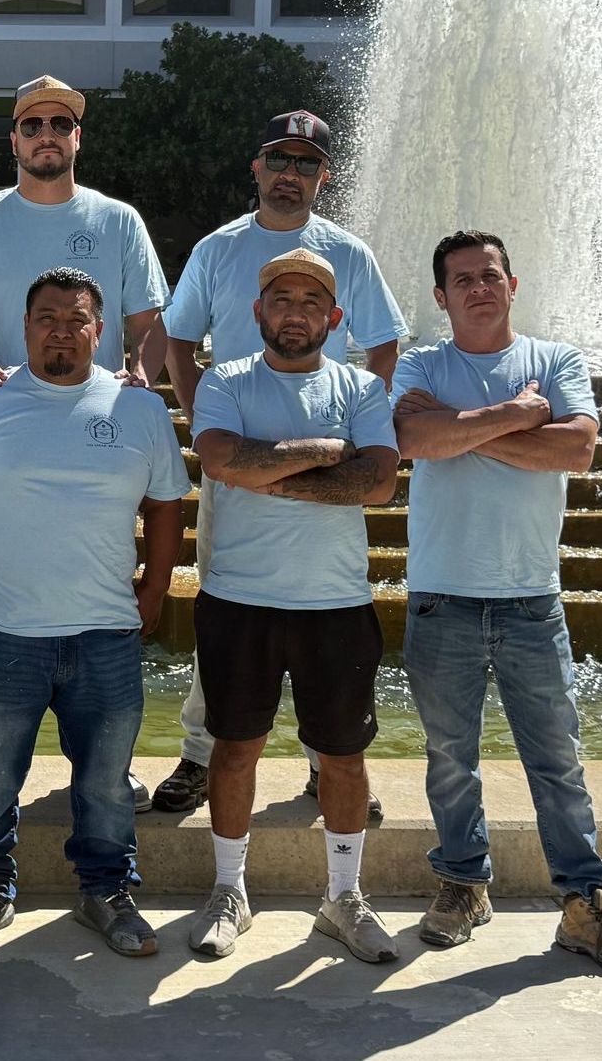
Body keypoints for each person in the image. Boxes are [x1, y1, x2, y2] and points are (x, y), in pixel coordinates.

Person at [393, 230, 602, 984]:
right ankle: (463, 884)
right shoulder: (420, 363)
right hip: (442, 595)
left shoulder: (556, 360)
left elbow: (575, 450)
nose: (478, 287)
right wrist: (518, 416)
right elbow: (412, 438)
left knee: (558, 763)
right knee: (451, 761)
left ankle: (588, 905)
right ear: (441, 296)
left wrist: (464, 429)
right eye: (461, 279)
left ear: (512, 285)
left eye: (490, 275)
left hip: (530, 598)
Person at [0, 267, 190, 959]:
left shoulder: (139, 409)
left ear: (99, 330)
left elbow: (167, 506)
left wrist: (155, 589)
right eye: (48, 317)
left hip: (104, 633)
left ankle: (105, 892)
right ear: (26, 325)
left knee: (105, 781)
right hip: (4, 631)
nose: (63, 330)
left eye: (77, 319)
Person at [0, 75, 171, 809]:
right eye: (33, 124)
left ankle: (105, 760)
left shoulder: (118, 219)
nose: (46, 135)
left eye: (60, 123)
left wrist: (136, 382)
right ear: (16, 138)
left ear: (76, 137)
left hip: (94, 436)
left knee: (96, 598)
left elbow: (148, 325)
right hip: (0, 442)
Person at [154, 109, 407, 817]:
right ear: (256, 167)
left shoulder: (348, 252)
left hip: (327, 473)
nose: (289, 174)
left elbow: (382, 345)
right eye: (279, 159)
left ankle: (325, 768)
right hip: (237, 453)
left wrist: (363, 425)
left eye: (305, 163)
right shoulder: (217, 248)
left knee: (321, 619)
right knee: (227, 609)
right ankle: (201, 755)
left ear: (323, 176)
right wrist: (203, 412)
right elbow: (179, 339)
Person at [188, 249, 400, 964]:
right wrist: (321, 452)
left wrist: (270, 473)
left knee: (343, 758)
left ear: (334, 318)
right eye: (282, 299)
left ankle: (343, 898)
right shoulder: (226, 379)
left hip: (335, 603)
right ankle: (228, 891)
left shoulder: (361, 387)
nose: (296, 312)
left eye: (312, 302)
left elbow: (376, 482)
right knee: (234, 749)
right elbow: (220, 459)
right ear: (259, 311)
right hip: (238, 601)